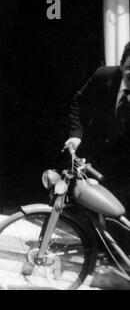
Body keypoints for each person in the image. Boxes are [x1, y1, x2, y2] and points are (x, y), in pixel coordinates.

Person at [66, 42, 130, 251]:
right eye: (129, 67)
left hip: (126, 164)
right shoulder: (104, 76)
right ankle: (91, 257)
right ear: (121, 65)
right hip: (98, 158)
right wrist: (76, 135)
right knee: (89, 211)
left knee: (121, 218)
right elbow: (78, 100)